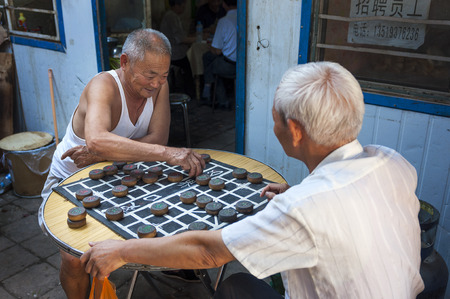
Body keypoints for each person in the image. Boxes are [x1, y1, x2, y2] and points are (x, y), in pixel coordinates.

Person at [80, 62, 425, 298]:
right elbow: (352, 202)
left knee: (235, 285)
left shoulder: (304, 208)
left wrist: (122, 250)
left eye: (274, 119)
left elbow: (206, 252)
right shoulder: (392, 162)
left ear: (294, 131)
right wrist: (299, 193)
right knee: (237, 287)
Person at [40, 28, 205, 299]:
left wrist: (105, 155)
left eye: (163, 76)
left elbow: (157, 137)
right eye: (149, 75)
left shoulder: (159, 87)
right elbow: (96, 140)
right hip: (72, 178)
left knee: (163, 220)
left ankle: (171, 266)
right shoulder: (103, 85)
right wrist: (166, 153)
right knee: (75, 258)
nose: (156, 84)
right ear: (125, 62)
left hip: (116, 173)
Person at [201, 0, 237, 108]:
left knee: (212, 66)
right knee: (207, 57)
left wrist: (211, 46)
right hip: (242, 63)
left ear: (224, 4)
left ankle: (220, 100)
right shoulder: (244, 17)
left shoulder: (224, 21)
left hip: (230, 66)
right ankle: (207, 90)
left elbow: (217, 50)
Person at [159, 0, 196, 97]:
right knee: (189, 65)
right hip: (173, 53)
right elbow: (181, 39)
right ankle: (190, 93)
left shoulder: (170, 15)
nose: (184, 8)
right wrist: (197, 39)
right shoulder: (172, 16)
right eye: (183, 6)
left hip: (169, 51)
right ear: (176, 5)